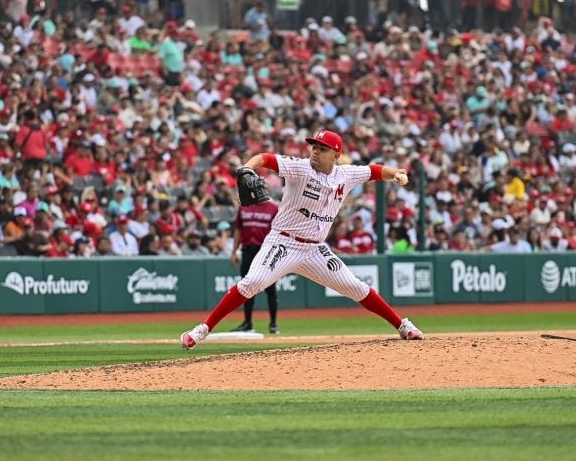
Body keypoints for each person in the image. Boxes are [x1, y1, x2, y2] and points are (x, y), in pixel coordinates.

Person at [180, 129, 424, 349]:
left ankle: (402, 325)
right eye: (314, 147)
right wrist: (246, 168)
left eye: (322, 149)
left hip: (315, 249)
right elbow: (265, 158)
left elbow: (374, 171)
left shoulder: (346, 175)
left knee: (356, 287)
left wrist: (396, 174)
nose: (315, 152)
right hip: (284, 242)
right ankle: (201, 330)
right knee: (251, 283)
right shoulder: (301, 168)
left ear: (336, 155)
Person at [229, 192, 280, 334]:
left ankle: (273, 324)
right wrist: (234, 251)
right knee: (246, 288)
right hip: (248, 251)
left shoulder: (274, 208)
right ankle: (248, 323)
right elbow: (238, 229)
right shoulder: (244, 206)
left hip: (266, 251)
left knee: (271, 288)